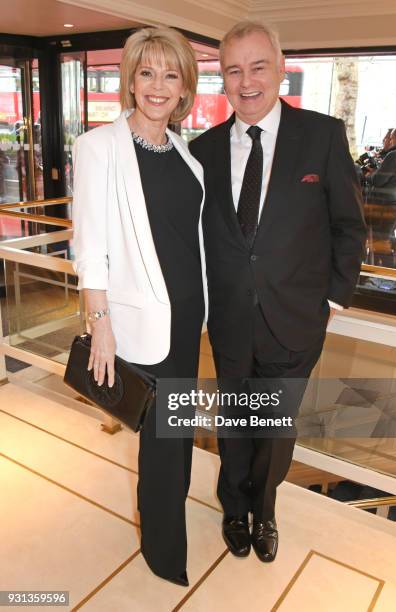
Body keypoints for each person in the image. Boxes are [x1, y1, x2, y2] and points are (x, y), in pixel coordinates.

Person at [190, 21, 366, 563]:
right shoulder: (201, 151)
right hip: (229, 320)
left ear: (279, 66)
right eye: (233, 71)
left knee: (275, 425)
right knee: (237, 419)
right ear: (222, 79)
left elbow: (349, 227)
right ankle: (232, 505)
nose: (246, 82)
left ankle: (264, 511)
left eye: (257, 66)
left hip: (296, 319)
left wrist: (331, 301)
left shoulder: (322, 135)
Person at [72, 26, 207, 587]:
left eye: (170, 74)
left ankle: (166, 526)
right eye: (147, 72)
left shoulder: (185, 152)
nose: (158, 85)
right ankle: (163, 553)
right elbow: (90, 246)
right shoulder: (98, 147)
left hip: (186, 315)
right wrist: (99, 327)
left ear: (184, 87)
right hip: (138, 320)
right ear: (130, 80)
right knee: (161, 439)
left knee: (177, 431)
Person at [369, 123, 396, 253]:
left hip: (386, 205)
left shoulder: (395, 155)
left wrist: (370, 175)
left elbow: (378, 180)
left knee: (379, 241)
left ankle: (378, 270)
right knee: (385, 238)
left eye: (392, 137)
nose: (391, 141)